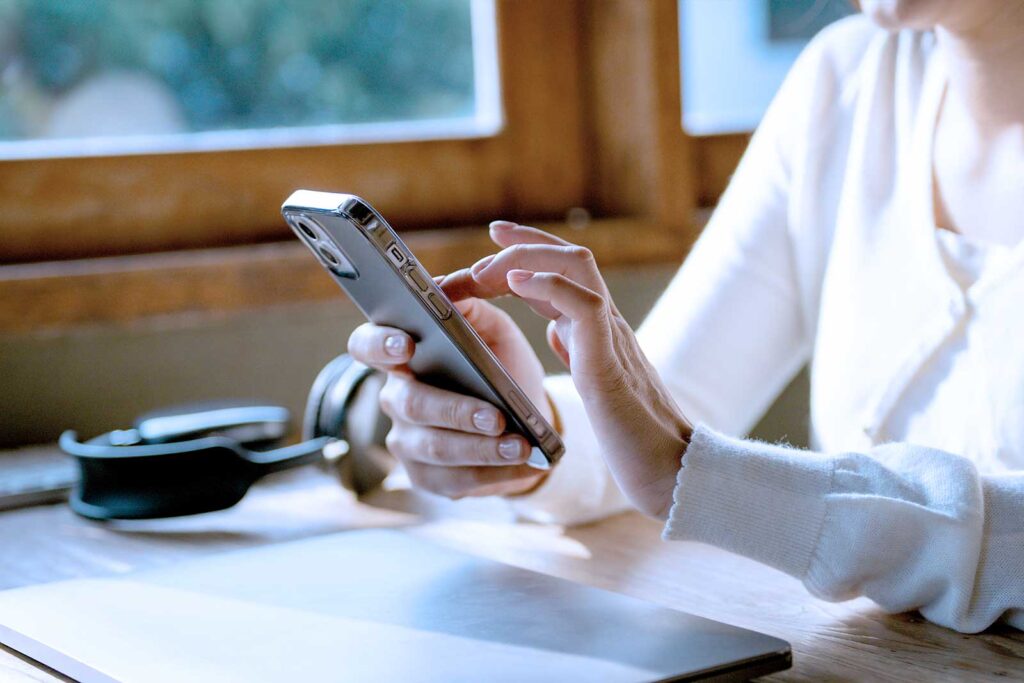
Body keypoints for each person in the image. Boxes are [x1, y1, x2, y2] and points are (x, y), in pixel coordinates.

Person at [347, 0, 1024, 634]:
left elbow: (683, 464)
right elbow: (667, 417)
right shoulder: (845, 82)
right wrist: (530, 432)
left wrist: (696, 475)